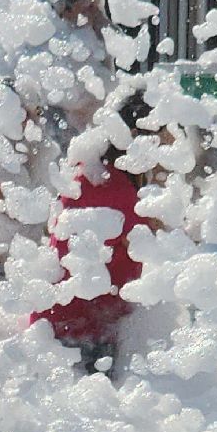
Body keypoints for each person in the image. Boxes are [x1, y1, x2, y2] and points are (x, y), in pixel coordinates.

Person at [36, 88, 155, 379]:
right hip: (82, 332)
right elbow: (156, 245)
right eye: (161, 135)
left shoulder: (90, 171)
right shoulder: (115, 189)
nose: (169, 144)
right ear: (136, 137)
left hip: (63, 324)